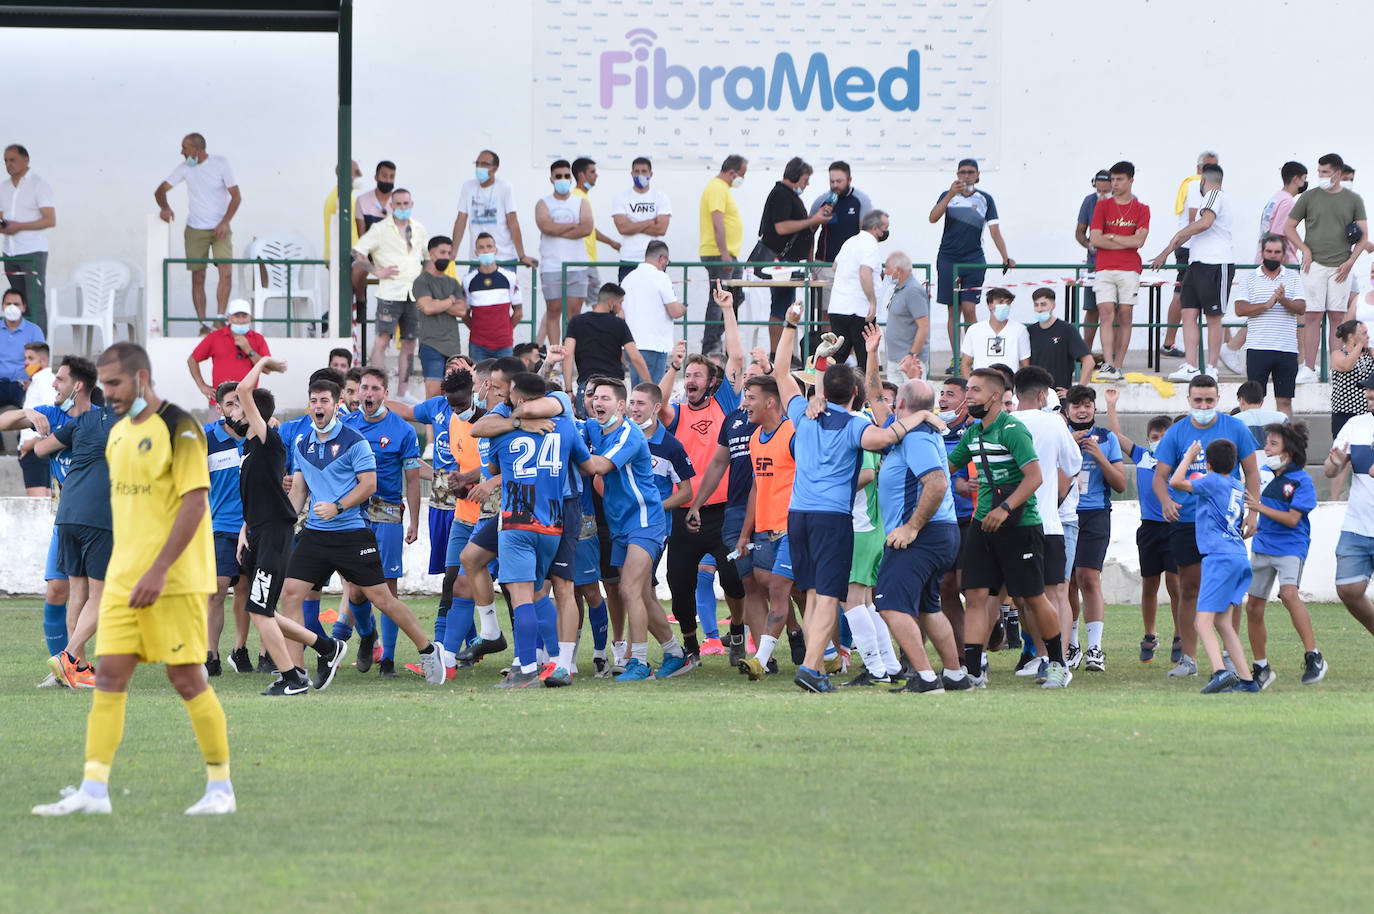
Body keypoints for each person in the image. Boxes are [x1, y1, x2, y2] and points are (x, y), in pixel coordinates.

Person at [33, 342, 234, 817]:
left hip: (176, 580)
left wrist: (160, 569)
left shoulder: (180, 427)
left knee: (186, 679)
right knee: (108, 677)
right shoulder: (118, 433)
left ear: (142, 378)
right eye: (103, 383)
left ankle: (220, 789)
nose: (108, 392)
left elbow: (193, 503)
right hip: (125, 579)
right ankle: (94, 790)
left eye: (115, 383)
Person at [771, 303, 926, 692]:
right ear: (855, 392)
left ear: (822, 391)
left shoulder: (800, 413)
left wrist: (790, 325)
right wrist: (922, 415)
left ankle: (814, 666)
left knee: (810, 595)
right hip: (832, 518)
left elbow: (779, 371)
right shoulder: (855, 425)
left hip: (798, 514)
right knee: (828, 597)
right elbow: (888, 436)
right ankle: (810, 668)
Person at [277, 375, 445, 683]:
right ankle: (296, 674)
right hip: (316, 533)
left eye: (324, 401)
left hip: (352, 533)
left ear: (337, 403)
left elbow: (369, 484)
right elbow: (298, 491)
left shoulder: (354, 440)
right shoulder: (303, 443)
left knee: (382, 599)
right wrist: (282, 523)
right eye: (313, 400)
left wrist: (338, 506)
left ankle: (427, 649)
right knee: (290, 595)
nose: (318, 406)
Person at [230, 357, 350, 695]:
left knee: (258, 610)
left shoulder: (270, 441)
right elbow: (256, 498)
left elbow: (243, 389)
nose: (234, 413)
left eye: (238, 409)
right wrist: (244, 531)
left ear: (255, 413)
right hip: (259, 534)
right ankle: (327, 648)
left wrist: (262, 363)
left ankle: (293, 678)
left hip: (274, 535)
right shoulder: (250, 447)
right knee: (263, 609)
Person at [945, 367, 1071, 688]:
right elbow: (947, 466)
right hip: (982, 525)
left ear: (996, 397)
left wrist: (1004, 508)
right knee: (975, 596)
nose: (967, 396)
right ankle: (973, 671)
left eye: (974, 390)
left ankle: (1058, 663)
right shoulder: (972, 433)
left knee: (1032, 597)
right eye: (968, 389)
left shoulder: (1013, 429)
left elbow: (1035, 477)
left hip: (1020, 526)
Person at [485, 372, 593, 687]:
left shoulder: (502, 432)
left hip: (517, 521)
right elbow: (585, 464)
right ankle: (557, 661)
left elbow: (492, 468)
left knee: (522, 598)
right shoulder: (566, 428)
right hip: (553, 524)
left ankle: (527, 668)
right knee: (542, 593)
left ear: (518, 399)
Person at [1152, 373, 1260, 678]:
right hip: (1186, 522)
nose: (1203, 405)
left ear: (1218, 400)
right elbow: (1161, 478)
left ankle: (1228, 656)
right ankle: (1189, 658)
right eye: (1197, 400)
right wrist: (1166, 501)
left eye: (1209, 400)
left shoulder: (1235, 427)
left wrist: (1253, 514)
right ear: (1188, 401)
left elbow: (1251, 472)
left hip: (1225, 525)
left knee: (1230, 592)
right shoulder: (1176, 432)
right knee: (1189, 588)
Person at [864, 372, 965, 693]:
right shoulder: (905, 430)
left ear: (902, 404)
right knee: (927, 607)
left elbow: (937, 483)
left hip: (922, 535)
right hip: (940, 533)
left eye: (894, 403)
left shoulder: (917, 435)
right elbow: (875, 395)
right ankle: (955, 675)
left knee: (890, 605)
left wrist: (911, 527)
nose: (888, 406)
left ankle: (925, 676)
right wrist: (872, 351)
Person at [581, 378, 684, 681]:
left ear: (621, 405)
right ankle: (675, 653)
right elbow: (566, 424)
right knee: (643, 596)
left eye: (605, 398)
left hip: (646, 521)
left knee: (628, 590)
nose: (597, 403)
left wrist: (574, 452)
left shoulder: (629, 435)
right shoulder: (595, 428)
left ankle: (638, 663)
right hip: (620, 525)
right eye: (594, 398)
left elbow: (598, 467)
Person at [658, 317, 746, 662]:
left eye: (698, 375)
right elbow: (656, 404)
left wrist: (728, 310)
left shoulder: (725, 405)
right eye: (688, 375)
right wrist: (673, 366)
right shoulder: (677, 413)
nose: (690, 380)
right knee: (678, 582)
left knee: (733, 578)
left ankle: (737, 632)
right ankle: (691, 644)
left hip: (724, 512)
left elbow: (736, 359)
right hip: (686, 512)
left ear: (712, 382)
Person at [1, 355, 91, 673]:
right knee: (57, 588)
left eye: (60, 379)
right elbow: (3, 423)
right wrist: (26, 412)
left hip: (101, 520)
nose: (53, 383)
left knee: (101, 593)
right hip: (65, 519)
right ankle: (64, 668)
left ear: (78, 386)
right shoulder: (51, 415)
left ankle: (86, 662)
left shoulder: (103, 421)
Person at [338, 368, 421, 677]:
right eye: (364, 388)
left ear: (386, 393)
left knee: (387, 587)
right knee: (357, 590)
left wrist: (413, 520)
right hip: (354, 514)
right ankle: (367, 634)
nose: (368, 394)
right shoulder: (345, 426)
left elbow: (412, 480)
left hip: (387, 512)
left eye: (375, 388)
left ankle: (388, 659)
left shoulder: (402, 430)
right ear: (357, 393)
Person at [1167, 439, 1260, 693]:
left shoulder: (1210, 481)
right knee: (1223, 623)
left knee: (1202, 622)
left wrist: (1188, 456)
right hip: (1239, 556)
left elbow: (1175, 482)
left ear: (1207, 464)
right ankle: (1247, 680)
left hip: (1219, 557)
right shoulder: (1237, 485)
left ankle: (1220, 672)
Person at [1009, 367, 1081, 683]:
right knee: (1054, 594)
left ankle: (1041, 656)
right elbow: (1073, 464)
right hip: (1047, 523)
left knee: (1024, 596)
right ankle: (1058, 660)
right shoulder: (1054, 422)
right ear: (1042, 395)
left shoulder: (1003, 423)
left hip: (1009, 522)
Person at [1103, 388, 1180, 664]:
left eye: (1163, 437)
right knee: (1150, 582)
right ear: (1148, 438)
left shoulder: (1178, 462)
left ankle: (1180, 635)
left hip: (1174, 526)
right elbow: (1116, 438)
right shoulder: (1143, 457)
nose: (1158, 441)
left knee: (1175, 583)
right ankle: (1150, 635)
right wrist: (1111, 407)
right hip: (1149, 527)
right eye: (1154, 437)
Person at [1244, 421, 1324, 688]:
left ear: (1287, 452)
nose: (1266, 447)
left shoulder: (1302, 481)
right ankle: (1261, 667)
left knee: (1289, 594)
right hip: (1262, 546)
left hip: (1291, 546)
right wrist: (1250, 517)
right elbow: (1250, 501)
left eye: (1272, 443)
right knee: (1253, 607)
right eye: (1267, 442)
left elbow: (1292, 520)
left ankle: (1314, 656)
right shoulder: (1263, 475)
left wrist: (1258, 508)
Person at [1285, 153, 1371, 381]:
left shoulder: (1353, 199)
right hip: (1313, 265)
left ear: (1338, 174)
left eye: (1325, 172)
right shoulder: (1309, 197)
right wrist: (1305, 249)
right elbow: (1289, 227)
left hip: (1341, 266)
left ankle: (1335, 366)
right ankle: (1309, 367)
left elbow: (1364, 236)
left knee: (1337, 317)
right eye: (1319, 172)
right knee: (1312, 316)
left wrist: (1350, 262)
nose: (1321, 176)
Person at [930, 158, 1016, 375]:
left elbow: (995, 231)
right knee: (954, 310)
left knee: (969, 308)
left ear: (977, 175)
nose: (966, 176)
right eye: (962, 172)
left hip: (974, 258)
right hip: (948, 257)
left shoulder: (985, 199)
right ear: (957, 174)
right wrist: (950, 194)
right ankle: (957, 357)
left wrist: (1006, 256)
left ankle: (974, 355)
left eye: (970, 172)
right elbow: (933, 218)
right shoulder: (947, 195)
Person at [1150, 163, 1234, 381]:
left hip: (1216, 263)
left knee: (1214, 317)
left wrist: (1176, 236)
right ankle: (1191, 366)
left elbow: (1205, 223)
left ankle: (1212, 368)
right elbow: (1192, 232)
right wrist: (1166, 251)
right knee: (1188, 313)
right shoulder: (1207, 201)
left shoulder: (1214, 195)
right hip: (1196, 264)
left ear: (1203, 181)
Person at [1064, 385, 1125, 672]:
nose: (1082, 410)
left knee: (1089, 577)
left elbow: (1121, 484)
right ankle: (1072, 644)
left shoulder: (1107, 438)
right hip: (1064, 513)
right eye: (1076, 405)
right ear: (1067, 410)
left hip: (1095, 513)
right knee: (1067, 582)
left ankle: (1096, 648)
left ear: (1094, 408)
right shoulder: (1059, 434)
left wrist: (1098, 454)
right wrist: (1071, 448)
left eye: (1087, 404)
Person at [154, 133, 240, 333]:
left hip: (221, 227)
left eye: (185, 147)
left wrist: (224, 222)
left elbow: (236, 196)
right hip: (195, 229)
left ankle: (220, 318)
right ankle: (203, 323)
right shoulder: (185, 169)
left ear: (197, 149)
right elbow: (160, 190)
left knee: (225, 272)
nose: (182, 152)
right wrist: (165, 207)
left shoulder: (221, 164)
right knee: (197, 276)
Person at [753, 157, 832, 351]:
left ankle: (781, 353)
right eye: (805, 179)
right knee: (780, 309)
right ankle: (775, 353)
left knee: (785, 307)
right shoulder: (781, 194)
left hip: (789, 263)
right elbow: (781, 227)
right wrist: (811, 220)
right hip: (782, 263)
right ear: (795, 176)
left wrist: (813, 220)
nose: (807, 183)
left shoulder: (787, 195)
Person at [353, 188, 426, 396]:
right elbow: (358, 252)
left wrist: (424, 278)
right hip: (389, 292)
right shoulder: (380, 228)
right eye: (399, 204)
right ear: (391, 206)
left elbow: (428, 256)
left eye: (406, 203)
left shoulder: (419, 228)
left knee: (410, 342)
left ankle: (403, 392)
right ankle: (374, 389)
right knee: (382, 340)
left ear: (412, 204)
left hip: (413, 292)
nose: (403, 207)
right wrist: (376, 271)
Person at [1087, 160, 1150, 379]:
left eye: (1120, 179)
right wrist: (1125, 240)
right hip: (1104, 267)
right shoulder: (1102, 205)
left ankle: (1119, 365)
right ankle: (1108, 364)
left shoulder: (1142, 209)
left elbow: (1139, 242)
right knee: (1105, 313)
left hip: (1129, 268)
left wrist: (1111, 236)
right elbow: (1095, 238)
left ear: (1131, 180)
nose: (1115, 183)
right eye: (1113, 179)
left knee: (1125, 314)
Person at [203, 382, 249, 676]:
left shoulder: (258, 434)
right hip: (219, 526)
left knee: (245, 589)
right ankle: (211, 654)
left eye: (241, 402)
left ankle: (240, 650)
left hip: (254, 527)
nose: (237, 409)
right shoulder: (205, 439)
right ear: (219, 408)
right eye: (231, 403)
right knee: (217, 588)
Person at [1232, 235, 1306, 416]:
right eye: (1269, 251)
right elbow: (1239, 309)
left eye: (1277, 252)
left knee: (1285, 401)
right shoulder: (1250, 277)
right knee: (1253, 402)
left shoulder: (1293, 276)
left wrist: (1282, 300)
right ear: (1262, 252)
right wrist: (1267, 304)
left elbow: (1301, 308)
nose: (1273, 255)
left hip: (1286, 349)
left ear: (1283, 255)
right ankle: (1253, 443)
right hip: (1258, 348)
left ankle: (1288, 443)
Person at [1158, 151, 1219, 359]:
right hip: (1190, 247)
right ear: (1199, 169)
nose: (1213, 171)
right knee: (1182, 295)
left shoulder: (1209, 188)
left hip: (1200, 247)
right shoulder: (1195, 186)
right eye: (1209, 167)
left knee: (1208, 297)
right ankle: (1168, 343)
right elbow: (1197, 219)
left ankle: (1225, 345)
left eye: (1216, 167)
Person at [536, 159, 594, 346]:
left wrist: (556, 227)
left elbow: (586, 228)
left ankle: (571, 353)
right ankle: (556, 357)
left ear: (571, 178)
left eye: (566, 176)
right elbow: (545, 226)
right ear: (551, 179)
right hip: (552, 265)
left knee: (574, 313)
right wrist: (571, 225)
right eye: (558, 176)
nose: (563, 179)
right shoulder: (543, 203)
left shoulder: (581, 202)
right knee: (553, 310)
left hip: (577, 264)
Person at [0, 144, 56, 332]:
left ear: (26, 160)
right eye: (5, 160)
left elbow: (50, 220)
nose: (8, 164)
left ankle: (39, 351)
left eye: (13, 159)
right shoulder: (4, 187)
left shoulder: (39, 185)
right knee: (17, 303)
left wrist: (19, 226)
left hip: (32, 252)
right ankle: (21, 349)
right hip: (10, 252)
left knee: (34, 302)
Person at [563, 282, 651, 399]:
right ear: (611, 303)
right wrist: (650, 387)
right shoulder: (619, 324)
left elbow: (567, 355)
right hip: (614, 387)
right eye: (620, 303)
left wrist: (568, 390)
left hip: (588, 387)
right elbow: (635, 358)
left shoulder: (576, 321)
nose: (621, 307)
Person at [809, 161, 874, 319]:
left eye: (839, 181)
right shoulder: (822, 201)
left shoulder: (861, 201)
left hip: (852, 268)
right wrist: (810, 263)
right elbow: (808, 233)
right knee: (827, 314)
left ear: (849, 180)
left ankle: (848, 345)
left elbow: (867, 235)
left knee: (852, 316)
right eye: (832, 181)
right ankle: (828, 344)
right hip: (825, 266)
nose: (835, 185)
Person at [698, 154, 748, 357]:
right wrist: (724, 253)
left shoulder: (721, 188)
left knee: (736, 296)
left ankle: (714, 339)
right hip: (720, 254)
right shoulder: (717, 188)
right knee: (719, 298)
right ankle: (710, 344)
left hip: (725, 254)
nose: (742, 179)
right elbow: (718, 223)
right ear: (731, 172)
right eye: (741, 175)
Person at [826, 209, 889, 368]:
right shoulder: (870, 245)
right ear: (875, 228)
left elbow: (835, 266)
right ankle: (866, 392)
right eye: (885, 229)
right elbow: (864, 273)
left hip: (839, 306)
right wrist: (872, 302)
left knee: (837, 357)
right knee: (866, 359)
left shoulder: (850, 241)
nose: (886, 233)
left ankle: (826, 389)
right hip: (860, 310)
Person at [452, 149, 535, 265]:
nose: (479, 167)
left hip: (503, 257)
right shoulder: (468, 187)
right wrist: (453, 253)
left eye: (484, 164)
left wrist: (522, 255)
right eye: (477, 163)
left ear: (495, 168)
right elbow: (461, 220)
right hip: (478, 257)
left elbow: (513, 221)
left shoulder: (505, 187)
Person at [621, 240, 685, 383]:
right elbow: (674, 311)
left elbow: (621, 314)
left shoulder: (628, 279)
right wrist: (683, 308)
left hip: (631, 346)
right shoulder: (661, 277)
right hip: (654, 345)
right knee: (652, 395)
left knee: (637, 394)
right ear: (662, 258)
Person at [413, 235, 467, 398]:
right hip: (431, 344)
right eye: (442, 252)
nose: (446, 256)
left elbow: (462, 311)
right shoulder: (421, 281)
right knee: (434, 394)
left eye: (449, 253)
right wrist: (450, 300)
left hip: (453, 345)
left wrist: (438, 303)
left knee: (455, 394)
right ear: (431, 254)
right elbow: (428, 308)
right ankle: (430, 425)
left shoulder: (453, 283)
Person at [186, 299, 270, 402]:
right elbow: (192, 360)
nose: (240, 320)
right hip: (220, 403)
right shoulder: (215, 337)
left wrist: (249, 350)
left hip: (249, 403)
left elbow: (267, 369)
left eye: (244, 316)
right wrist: (202, 386)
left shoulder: (258, 339)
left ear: (250, 318)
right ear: (229, 318)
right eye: (237, 316)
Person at [463, 232, 523, 361]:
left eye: (489, 247)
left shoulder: (510, 277)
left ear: (495, 250)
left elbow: (518, 313)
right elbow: (464, 314)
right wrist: (479, 332)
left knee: (504, 381)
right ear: (476, 252)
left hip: (504, 344)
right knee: (478, 380)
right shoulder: (468, 280)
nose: (485, 250)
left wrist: (504, 331)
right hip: (478, 345)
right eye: (481, 247)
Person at [611, 156, 671, 281]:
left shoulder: (660, 197)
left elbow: (661, 229)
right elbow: (623, 228)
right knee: (626, 299)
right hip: (629, 258)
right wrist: (650, 221)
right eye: (636, 171)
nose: (640, 175)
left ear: (651, 174)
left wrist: (632, 224)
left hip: (653, 259)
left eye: (644, 171)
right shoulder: (621, 197)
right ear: (631, 173)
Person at [1073, 169, 1112, 352]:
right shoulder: (1090, 200)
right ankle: (1085, 352)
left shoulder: (1126, 200)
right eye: (1099, 190)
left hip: (1116, 261)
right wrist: (1089, 245)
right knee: (1091, 308)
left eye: (1106, 191)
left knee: (1117, 309)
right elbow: (1080, 232)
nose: (1102, 194)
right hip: (1094, 262)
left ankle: (1112, 354)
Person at [1027, 287, 1092, 395]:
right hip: (1035, 396)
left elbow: (1089, 361)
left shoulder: (1067, 329)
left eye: (1043, 304)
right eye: (1036, 305)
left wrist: (1077, 392)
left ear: (1053, 306)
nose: (1039, 309)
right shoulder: (1030, 332)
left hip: (1059, 397)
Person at [572, 156, 619, 303]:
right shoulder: (577, 198)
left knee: (597, 305)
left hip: (588, 261)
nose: (596, 175)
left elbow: (590, 229)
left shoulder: (582, 197)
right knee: (592, 306)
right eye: (592, 172)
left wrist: (612, 243)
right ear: (581, 175)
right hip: (581, 262)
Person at [351, 160, 396, 311]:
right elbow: (362, 235)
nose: (388, 180)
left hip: (392, 252)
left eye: (391, 177)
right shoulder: (362, 200)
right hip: (371, 250)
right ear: (376, 177)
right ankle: (361, 301)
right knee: (357, 271)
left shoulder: (398, 202)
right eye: (384, 176)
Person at [883, 251, 931, 382]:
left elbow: (924, 327)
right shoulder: (900, 289)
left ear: (898, 270)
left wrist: (911, 355)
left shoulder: (913, 291)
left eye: (887, 268)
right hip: (895, 359)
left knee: (913, 399)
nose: (885, 272)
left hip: (910, 362)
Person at [960, 287, 1030, 376]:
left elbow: (1025, 365)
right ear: (990, 305)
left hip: (1009, 385)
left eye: (1008, 303)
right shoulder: (974, 330)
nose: (1005, 306)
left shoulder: (1020, 330)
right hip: (982, 385)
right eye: (1000, 302)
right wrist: (971, 386)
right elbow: (965, 364)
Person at [16, 340, 53, 495]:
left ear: (44, 361)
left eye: (31, 359)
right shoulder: (37, 381)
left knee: (38, 504)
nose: (26, 363)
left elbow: (51, 414)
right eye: (25, 359)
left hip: (35, 449)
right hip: (35, 448)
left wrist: (31, 443)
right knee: (46, 500)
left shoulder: (45, 381)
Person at [0, 286, 42, 410]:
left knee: (35, 411)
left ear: (23, 307)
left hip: (23, 385)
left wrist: (33, 382)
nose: (12, 307)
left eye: (16, 304)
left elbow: (41, 360)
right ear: (2, 307)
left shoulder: (34, 331)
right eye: (8, 304)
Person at [1331, 319, 1374, 437]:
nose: (1367, 336)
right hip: (1344, 412)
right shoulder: (1338, 354)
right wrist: (1360, 344)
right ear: (1351, 336)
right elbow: (1346, 366)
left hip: (1366, 412)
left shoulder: (1369, 354)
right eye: (1363, 333)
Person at [322, 159, 361, 265]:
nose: (360, 175)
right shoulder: (341, 197)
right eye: (357, 172)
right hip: (343, 257)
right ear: (346, 174)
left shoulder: (340, 195)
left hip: (342, 256)